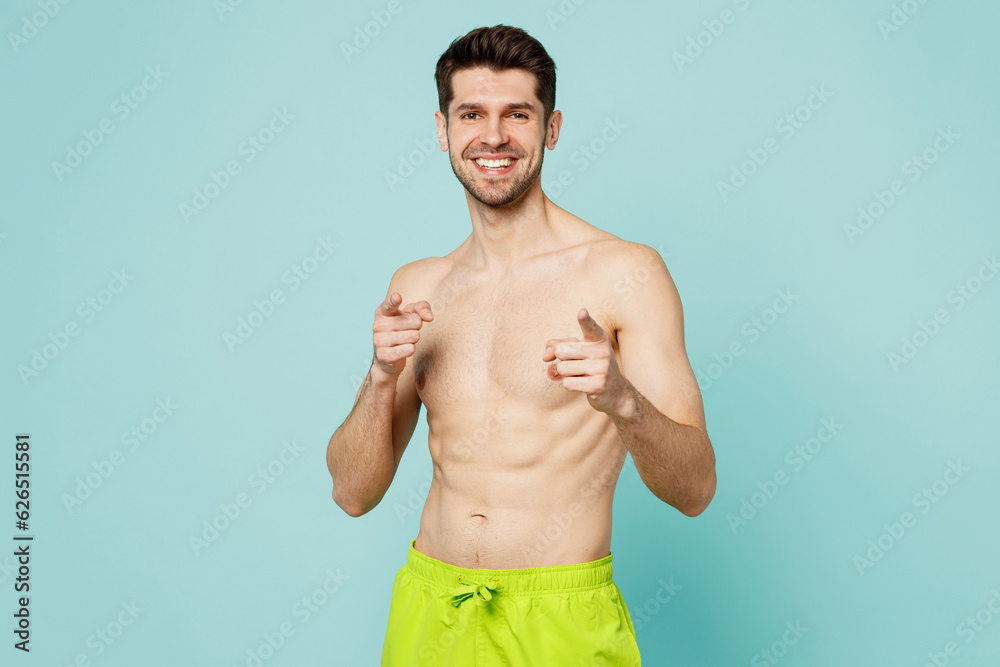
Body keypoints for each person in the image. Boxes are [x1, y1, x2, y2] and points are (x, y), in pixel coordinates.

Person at [326, 23, 716, 666]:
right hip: (432, 611)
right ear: (443, 129)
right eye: (471, 113)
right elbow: (352, 494)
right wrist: (379, 378)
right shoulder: (418, 284)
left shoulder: (625, 273)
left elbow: (696, 489)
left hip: (559, 618)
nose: (494, 136)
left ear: (552, 129)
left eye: (518, 114)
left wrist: (623, 400)